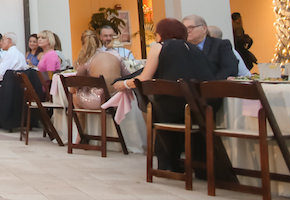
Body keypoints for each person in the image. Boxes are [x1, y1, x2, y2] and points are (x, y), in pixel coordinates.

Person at [116, 18, 217, 172]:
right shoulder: (195, 49)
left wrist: (122, 84)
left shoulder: (159, 46)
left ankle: (167, 163)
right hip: (204, 107)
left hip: (175, 109)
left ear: (161, 34)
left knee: (158, 108)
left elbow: (144, 79)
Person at [72, 29, 127, 109]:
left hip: (100, 100)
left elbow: (77, 83)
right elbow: (127, 74)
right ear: (99, 41)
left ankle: (80, 121)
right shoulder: (114, 55)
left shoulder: (87, 61)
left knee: (74, 95)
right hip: (117, 97)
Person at [183, 14, 239, 80]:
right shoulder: (183, 48)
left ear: (204, 28)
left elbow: (230, 69)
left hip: (215, 87)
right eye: (184, 29)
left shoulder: (221, 45)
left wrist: (211, 84)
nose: (187, 31)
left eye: (191, 27)